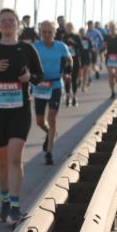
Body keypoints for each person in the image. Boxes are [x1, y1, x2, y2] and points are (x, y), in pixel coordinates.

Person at [0, 9, 44, 226]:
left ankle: (15, 206)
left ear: (17, 24)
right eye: (3, 21)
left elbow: (39, 76)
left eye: (11, 21)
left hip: (19, 111)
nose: (7, 24)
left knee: (15, 158)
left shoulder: (27, 49)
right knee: (1, 162)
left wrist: (29, 77)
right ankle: (4, 200)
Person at [32, 21, 71, 165]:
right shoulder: (36, 47)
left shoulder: (61, 46)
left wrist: (67, 73)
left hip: (55, 85)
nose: (47, 35)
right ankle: (50, 133)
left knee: (52, 117)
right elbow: (28, 63)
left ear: (54, 32)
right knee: (40, 121)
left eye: (49, 32)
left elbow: (69, 60)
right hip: (40, 86)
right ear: (40, 33)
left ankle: (49, 152)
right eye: (44, 32)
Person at [62, 22, 82, 107]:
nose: (69, 28)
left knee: (74, 79)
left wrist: (73, 43)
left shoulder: (77, 37)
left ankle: (74, 97)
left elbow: (81, 47)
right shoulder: (64, 37)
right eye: (67, 27)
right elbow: (62, 48)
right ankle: (67, 96)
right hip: (67, 61)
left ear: (73, 28)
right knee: (67, 79)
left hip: (76, 60)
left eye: (70, 27)